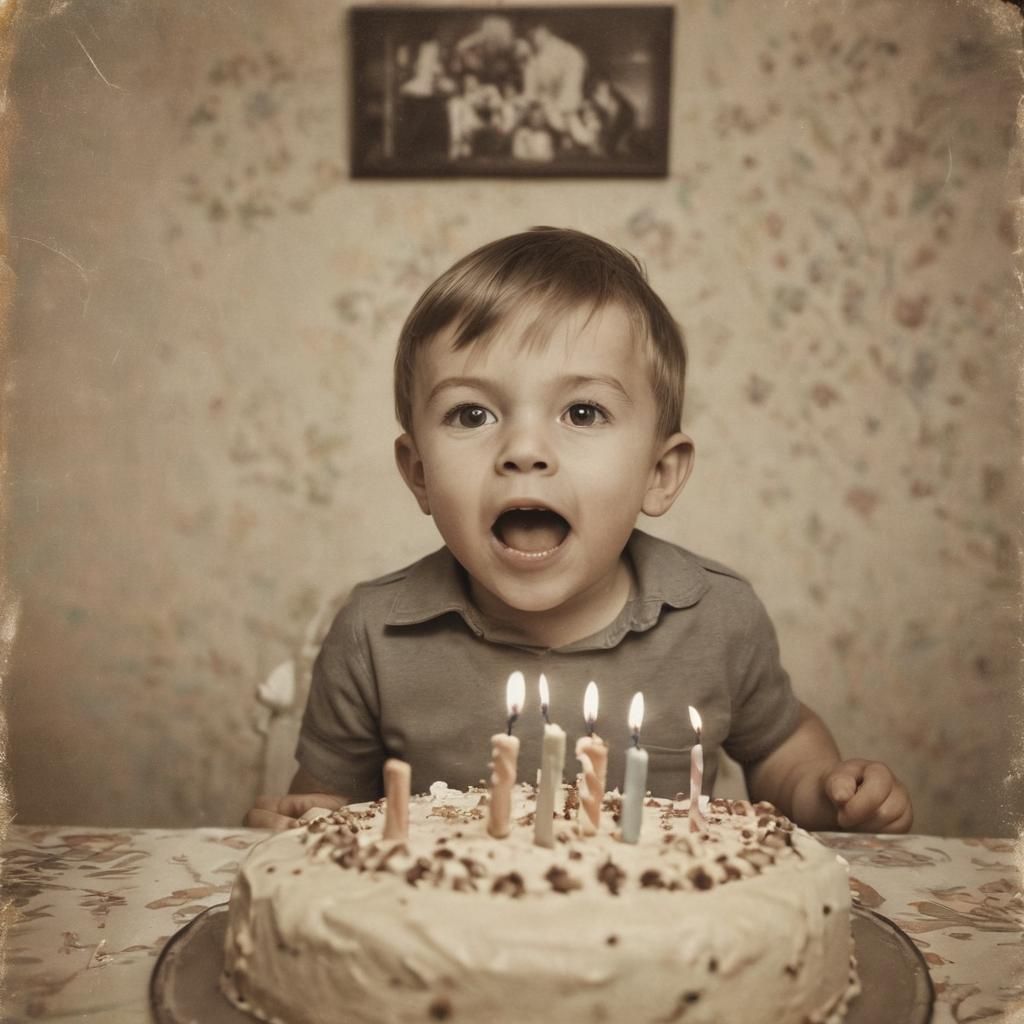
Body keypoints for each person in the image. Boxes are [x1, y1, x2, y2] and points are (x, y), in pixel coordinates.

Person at [246, 227, 913, 837]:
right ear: (418, 473)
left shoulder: (718, 617)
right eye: (472, 413)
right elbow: (327, 810)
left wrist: (826, 793)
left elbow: (781, 747)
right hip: (448, 945)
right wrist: (301, 819)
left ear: (660, 472)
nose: (525, 449)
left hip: (667, 939)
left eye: (584, 411)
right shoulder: (373, 632)